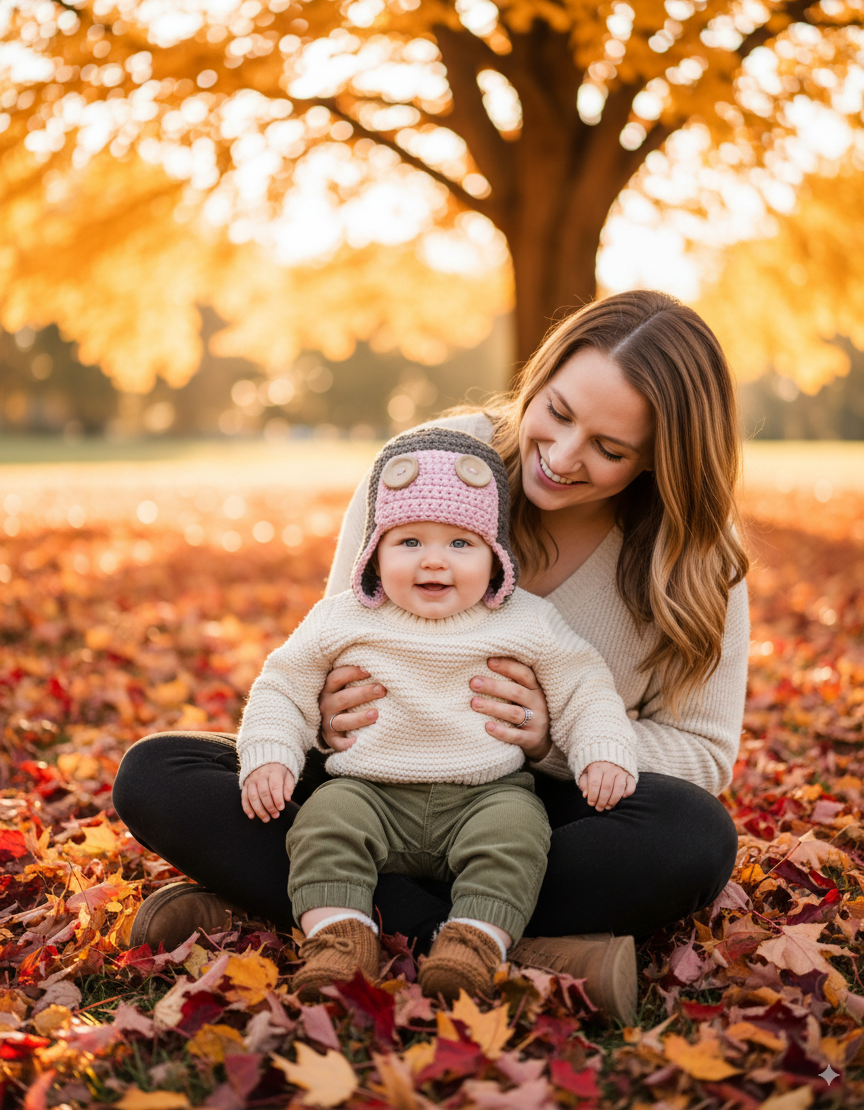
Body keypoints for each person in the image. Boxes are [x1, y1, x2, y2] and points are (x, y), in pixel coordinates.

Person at [114, 290, 749, 1025]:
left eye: (610, 450)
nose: (564, 457)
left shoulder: (696, 555)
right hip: (376, 775)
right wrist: (318, 717)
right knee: (158, 773)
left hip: (534, 807)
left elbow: (704, 754)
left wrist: (551, 741)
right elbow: (342, 630)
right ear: (539, 379)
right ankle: (511, 949)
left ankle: (310, 912)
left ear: (659, 461)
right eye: (560, 413)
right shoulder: (428, 465)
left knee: (695, 837)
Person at [236, 429, 637, 1001]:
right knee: (321, 824)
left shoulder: (526, 620)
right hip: (369, 792)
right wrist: (272, 754)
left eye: (459, 544)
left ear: (494, 557)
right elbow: (283, 684)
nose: (433, 561)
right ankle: (338, 941)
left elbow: (584, 685)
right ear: (374, 551)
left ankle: (470, 945)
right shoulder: (343, 618)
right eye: (408, 543)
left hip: (486, 795)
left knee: (518, 837)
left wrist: (601, 748)